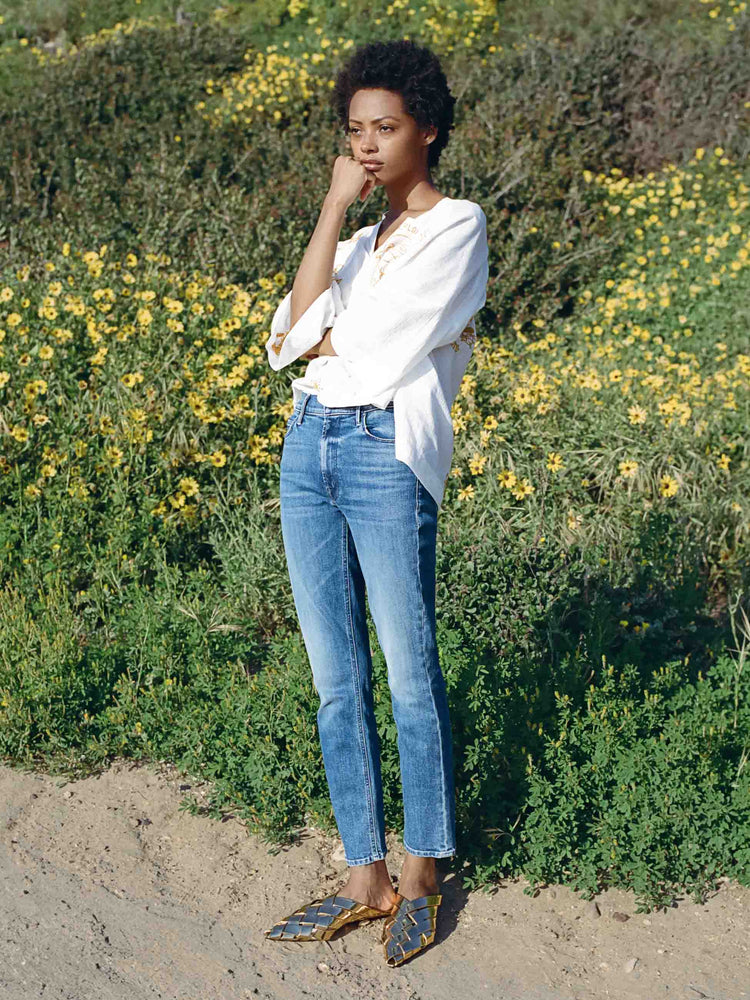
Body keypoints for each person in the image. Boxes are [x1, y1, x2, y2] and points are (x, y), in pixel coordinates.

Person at [263, 38, 489, 966]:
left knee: (406, 670)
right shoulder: (355, 241)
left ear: (426, 129)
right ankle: (366, 871)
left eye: (384, 128)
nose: (366, 145)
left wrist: (326, 340)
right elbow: (287, 340)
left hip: (382, 452)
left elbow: (381, 354)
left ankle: (426, 868)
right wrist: (329, 211)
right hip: (308, 444)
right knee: (333, 679)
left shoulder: (457, 226)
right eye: (354, 131)